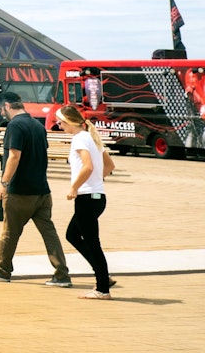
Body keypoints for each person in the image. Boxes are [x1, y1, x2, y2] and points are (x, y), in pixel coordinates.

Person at [0, 91, 71, 287]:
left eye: (0, 109)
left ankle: (3, 270)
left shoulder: (15, 125)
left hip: (20, 191)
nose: (0, 113)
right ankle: (62, 274)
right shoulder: (37, 126)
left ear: (7, 106)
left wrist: (3, 184)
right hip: (42, 191)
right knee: (49, 233)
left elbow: (14, 156)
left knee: (10, 233)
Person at [59, 106, 117, 299]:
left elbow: (88, 166)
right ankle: (103, 276)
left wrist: (74, 187)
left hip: (87, 197)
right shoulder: (91, 137)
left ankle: (102, 289)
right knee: (73, 235)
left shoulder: (79, 138)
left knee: (92, 243)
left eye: (60, 122)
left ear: (69, 122)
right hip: (97, 197)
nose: (59, 125)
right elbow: (109, 165)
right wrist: (95, 183)